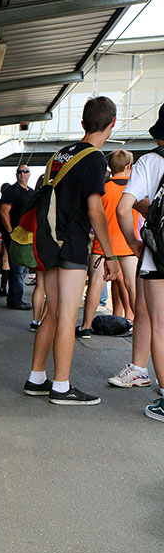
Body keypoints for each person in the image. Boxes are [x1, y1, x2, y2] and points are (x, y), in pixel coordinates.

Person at [23, 96, 120, 405]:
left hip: (49, 241)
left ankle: (36, 378)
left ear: (83, 124)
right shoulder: (95, 159)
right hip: (73, 245)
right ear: (112, 125)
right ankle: (62, 387)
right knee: (67, 316)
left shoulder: (58, 156)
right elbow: (94, 211)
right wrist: (110, 254)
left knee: (51, 312)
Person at [115, 103, 164, 420]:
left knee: (159, 325)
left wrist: (134, 243)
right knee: (149, 316)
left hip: (158, 257)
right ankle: (139, 369)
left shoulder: (150, 162)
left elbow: (124, 208)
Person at [78, 149, 139, 336]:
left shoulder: (102, 189)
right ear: (129, 166)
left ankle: (86, 326)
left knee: (95, 284)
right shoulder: (136, 191)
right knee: (132, 286)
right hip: (129, 244)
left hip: (102, 245)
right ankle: (140, 325)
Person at [0, 164, 35, 310]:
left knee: (25, 266)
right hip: (15, 235)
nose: (22, 174)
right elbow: (3, 211)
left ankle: (14, 297)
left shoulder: (31, 192)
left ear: (29, 174)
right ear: (16, 174)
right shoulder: (11, 191)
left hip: (28, 235)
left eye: (25, 171)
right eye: (19, 172)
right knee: (17, 268)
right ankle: (15, 299)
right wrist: (10, 232)